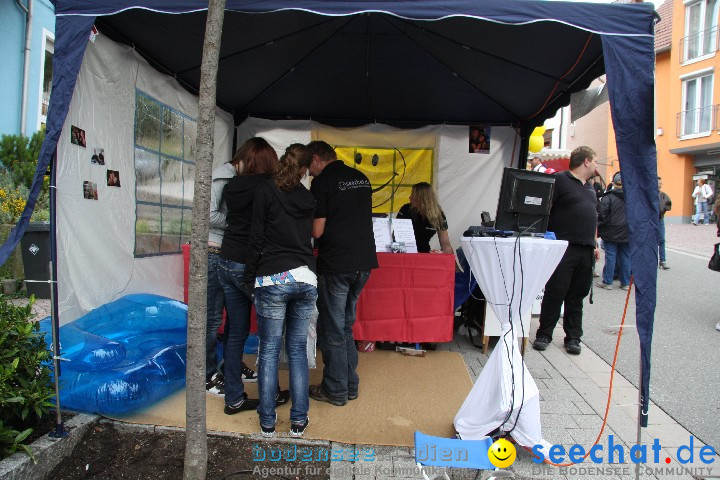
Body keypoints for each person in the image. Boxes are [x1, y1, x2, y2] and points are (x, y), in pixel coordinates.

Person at [244, 144, 316, 438]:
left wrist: (250, 275)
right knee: (298, 350)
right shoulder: (308, 198)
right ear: (305, 169)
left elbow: (256, 236)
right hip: (306, 278)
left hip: (273, 277)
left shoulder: (265, 191)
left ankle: (268, 422)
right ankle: (299, 421)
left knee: (270, 350)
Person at [306, 140, 378, 406]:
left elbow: (317, 231)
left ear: (316, 158)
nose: (308, 172)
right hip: (364, 262)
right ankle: (349, 385)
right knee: (345, 326)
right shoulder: (360, 178)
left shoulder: (323, 183)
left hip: (337, 262)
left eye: (309, 165)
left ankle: (335, 389)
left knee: (333, 328)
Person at [218, 137, 278, 414]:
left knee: (235, 334)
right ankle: (270, 396)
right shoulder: (271, 187)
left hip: (227, 258)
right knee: (269, 335)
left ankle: (234, 398)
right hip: (253, 264)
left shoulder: (231, 187)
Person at [532, 146, 599, 355]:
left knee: (577, 295)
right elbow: (545, 209)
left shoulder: (590, 188)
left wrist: (595, 243)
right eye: (595, 161)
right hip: (563, 247)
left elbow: (591, 216)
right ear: (586, 161)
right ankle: (544, 333)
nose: (596, 165)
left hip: (586, 248)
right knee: (556, 291)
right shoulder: (560, 180)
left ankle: (573, 338)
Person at [205, 146, 258, 397]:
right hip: (213, 251)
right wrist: (239, 223)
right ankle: (206, 375)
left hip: (227, 253)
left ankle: (229, 367)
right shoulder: (222, 176)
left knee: (235, 320)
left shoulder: (236, 179)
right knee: (213, 318)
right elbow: (208, 214)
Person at [596, 172, 631, 290]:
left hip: (611, 230)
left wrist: (599, 228)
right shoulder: (631, 197)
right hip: (627, 231)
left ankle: (608, 281)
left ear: (613, 183)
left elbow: (602, 215)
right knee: (626, 256)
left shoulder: (608, 197)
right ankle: (625, 282)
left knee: (610, 256)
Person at [396, 182, 453, 254]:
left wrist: (451, 263)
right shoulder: (406, 209)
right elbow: (395, 235)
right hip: (404, 253)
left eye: (413, 194)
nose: (410, 197)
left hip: (424, 254)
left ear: (422, 198)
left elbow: (446, 245)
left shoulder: (438, 215)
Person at [658, 177, 672, 270]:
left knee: (662, 240)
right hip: (651, 220)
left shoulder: (664, 195)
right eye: (658, 183)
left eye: (660, 183)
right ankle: (652, 260)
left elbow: (669, 204)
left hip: (660, 219)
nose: (659, 184)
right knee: (651, 241)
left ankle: (663, 260)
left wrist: (664, 209)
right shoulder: (649, 195)